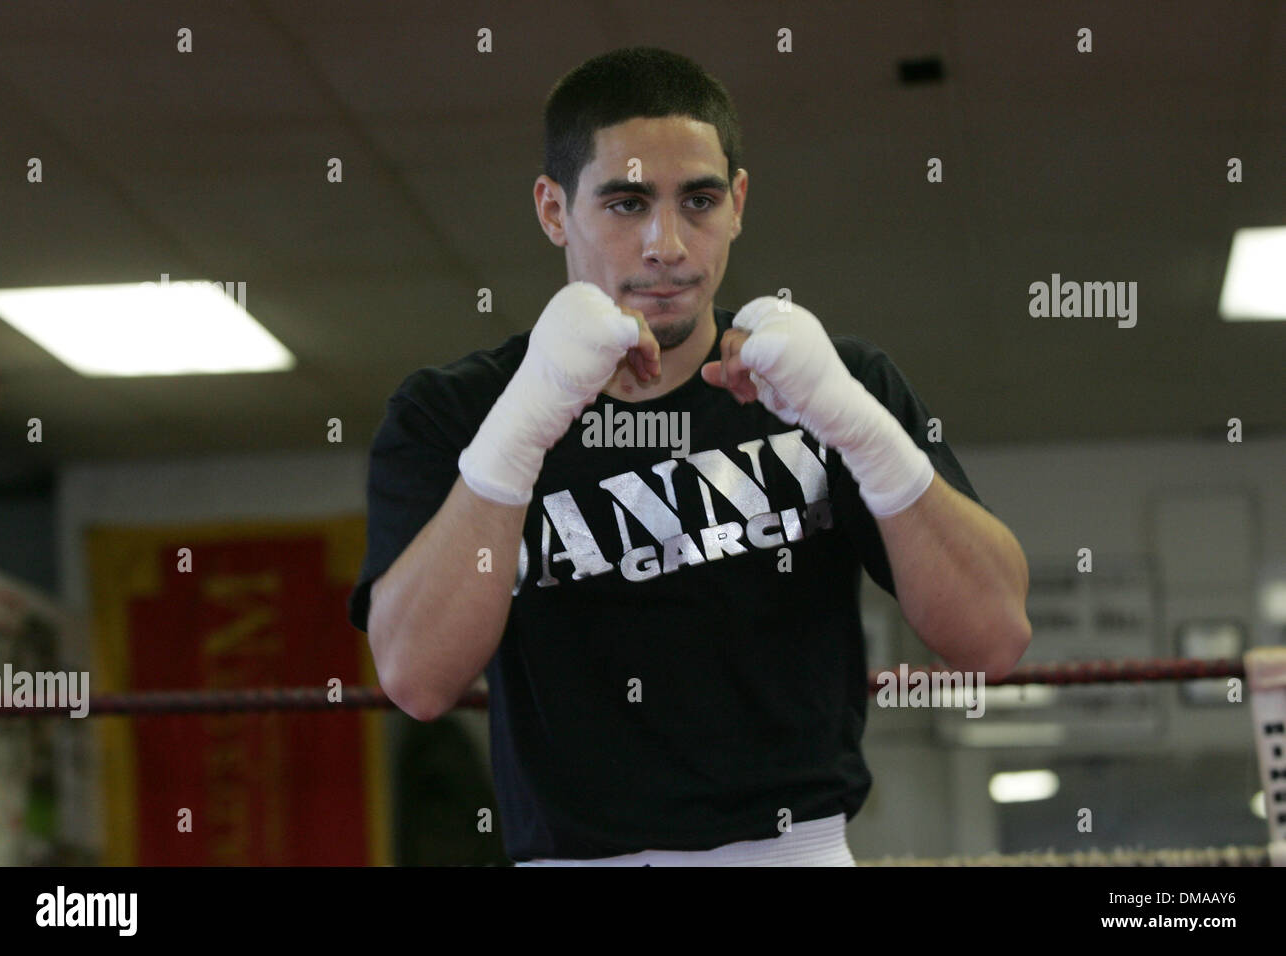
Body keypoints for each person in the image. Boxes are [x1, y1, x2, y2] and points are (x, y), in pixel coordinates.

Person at [348, 46, 1031, 866]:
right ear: (553, 210)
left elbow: (994, 637)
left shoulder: (833, 386)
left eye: (698, 200)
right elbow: (417, 681)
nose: (666, 243)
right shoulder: (453, 413)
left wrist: (854, 422)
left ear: (739, 203)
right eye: (626, 203)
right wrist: (524, 422)